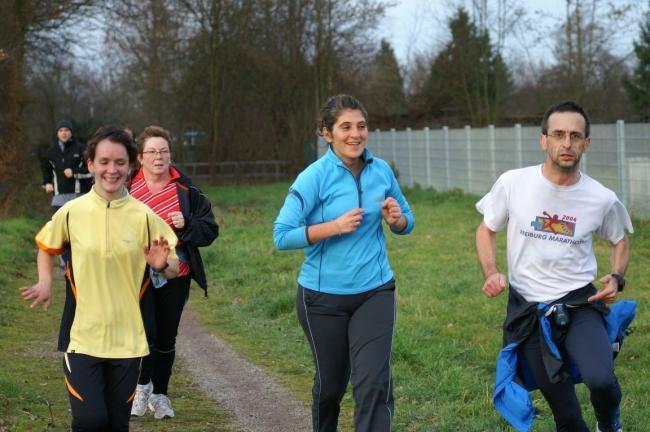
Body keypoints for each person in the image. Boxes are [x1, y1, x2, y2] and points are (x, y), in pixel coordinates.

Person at [475, 101, 633, 432]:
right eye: (558, 134)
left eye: (575, 136)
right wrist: (491, 272)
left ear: (586, 143)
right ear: (543, 139)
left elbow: (619, 240)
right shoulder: (513, 183)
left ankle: (609, 423)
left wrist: (616, 277)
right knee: (567, 415)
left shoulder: (601, 198)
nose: (566, 143)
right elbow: (486, 229)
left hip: (580, 303)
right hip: (529, 312)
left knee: (601, 381)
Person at [20, 125, 180, 431]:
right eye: (104, 162)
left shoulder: (144, 215)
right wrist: (44, 282)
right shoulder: (72, 211)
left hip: (128, 341)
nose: (112, 169)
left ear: (131, 165)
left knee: (117, 424)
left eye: (120, 162)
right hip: (82, 337)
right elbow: (46, 247)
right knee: (90, 420)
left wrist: (161, 266)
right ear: (90, 163)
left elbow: (173, 267)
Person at [274, 94, 415, 432]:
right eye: (346, 127)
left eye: (361, 126)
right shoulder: (314, 177)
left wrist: (396, 220)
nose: (355, 134)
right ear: (327, 133)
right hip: (322, 298)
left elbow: (407, 220)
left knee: (373, 384)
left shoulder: (381, 171)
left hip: (375, 291)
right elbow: (282, 235)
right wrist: (332, 228)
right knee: (331, 388)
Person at [127, 125, 218, 420]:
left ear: (170, 155)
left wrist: (186, 225)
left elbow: (209, 230)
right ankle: (141, 388)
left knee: (166, 337)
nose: (158, 157)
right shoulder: (126, 189)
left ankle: (160, 395)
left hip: (175, 273)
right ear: (141, 157)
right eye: (152, 152)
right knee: (145, 332)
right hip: (137, 274)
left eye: (164, 151)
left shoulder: (186, 191)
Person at [41, 120, 93, 208]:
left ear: (71, 132)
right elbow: (46, 169)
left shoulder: (81, 149)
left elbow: (92, 171)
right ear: (57, 133)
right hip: (59, 198)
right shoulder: (51, 152)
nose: (63, 133)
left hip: (79, 196)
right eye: (60, 131)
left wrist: (73, 172)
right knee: (59, 221)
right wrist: (47, 183)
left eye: (66, 130)